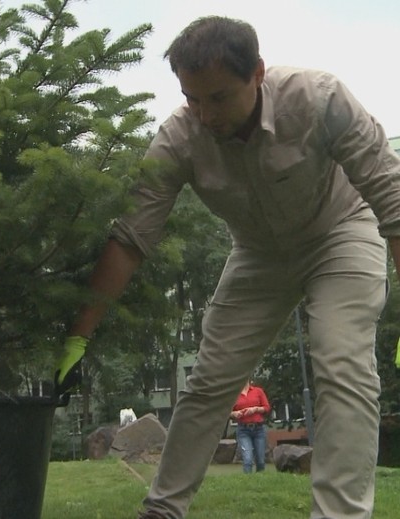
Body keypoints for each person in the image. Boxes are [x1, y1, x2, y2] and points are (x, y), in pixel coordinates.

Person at [53, 15, 400, 519]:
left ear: (257, 73)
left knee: (341, 365)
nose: (204, 113)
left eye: (218, 97)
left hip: (340, 232)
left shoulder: (318, 99)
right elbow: (130, 237)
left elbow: (392, 199)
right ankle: (163, 509)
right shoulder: (179, 137)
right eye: (192, 98)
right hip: (259, 253)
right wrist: (78, 338)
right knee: (211, 379)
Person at [230, 380, 270, 474]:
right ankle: (247, 483)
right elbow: (227, 412)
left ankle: (261, 481)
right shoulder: (234, 394)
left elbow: (266, 407)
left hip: (258, 429)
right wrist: (234, 413)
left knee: (260, 460)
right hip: (243, 430)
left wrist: (255, 409)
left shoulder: (258, 391)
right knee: (247, 459)